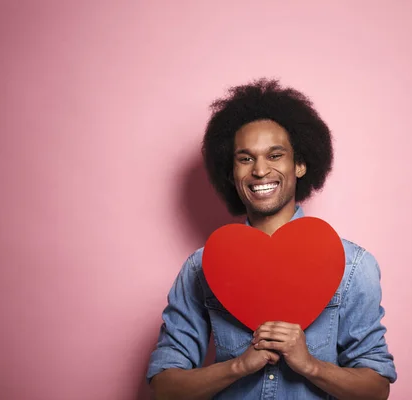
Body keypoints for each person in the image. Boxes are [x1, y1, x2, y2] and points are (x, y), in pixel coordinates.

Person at [147, 79, 397, 399]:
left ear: (301, 164)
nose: (261, 171)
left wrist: (310, 365)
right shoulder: (200, 268)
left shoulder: (353, 266)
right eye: (246, 158)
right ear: (231, 172)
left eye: (275, 155)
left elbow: (376, 390)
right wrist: (239, 366)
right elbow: (165, 387)